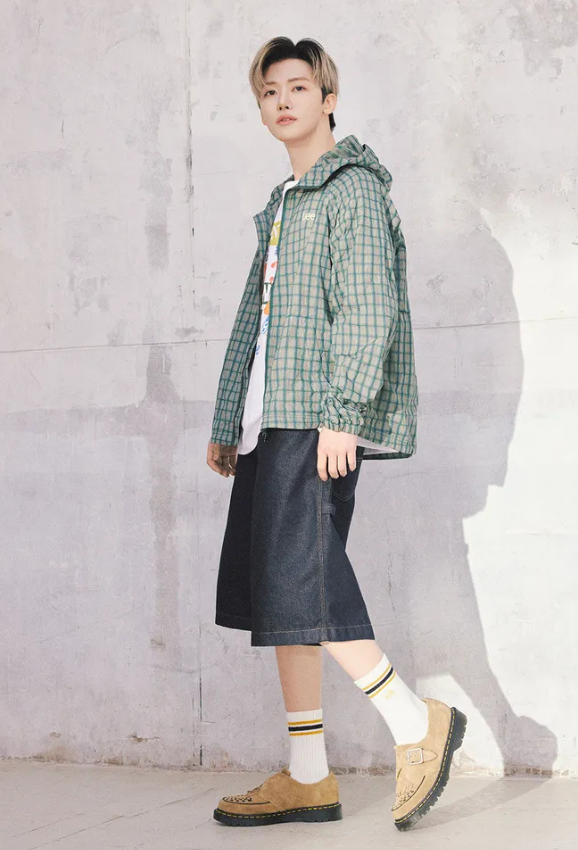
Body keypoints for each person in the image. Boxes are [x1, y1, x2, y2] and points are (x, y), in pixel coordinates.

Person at [206, 36, 466, 831]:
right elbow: (255, 319)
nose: (282, 101)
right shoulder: (286, 201)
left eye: (298, 87)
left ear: (327, 99)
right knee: (282, 597)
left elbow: (366, 306)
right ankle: (308, 776)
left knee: (306, 583)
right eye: (269, 92)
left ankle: (414, 725)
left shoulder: (350, 189)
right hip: (270, 420)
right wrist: (228, 417)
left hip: (316, 415)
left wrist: (343, 413)